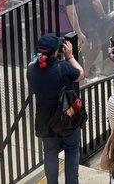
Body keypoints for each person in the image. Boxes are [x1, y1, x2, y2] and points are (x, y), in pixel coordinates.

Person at [27, 33, 83, 184]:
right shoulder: (63, 67)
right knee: (71, 150)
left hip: (45, 122)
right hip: (66, 119)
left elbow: (35, 62)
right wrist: (70, 57)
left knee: (50, 153)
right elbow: (80, 74)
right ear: (55, 51)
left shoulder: (31, 70)